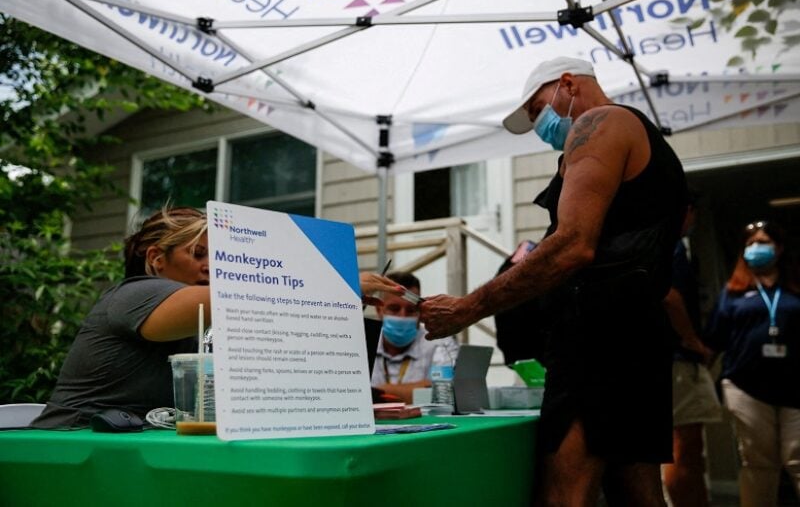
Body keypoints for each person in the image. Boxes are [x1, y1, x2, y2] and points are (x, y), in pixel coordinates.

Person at [421, 56, 688, 506]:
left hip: (602, 340)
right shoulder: (623, 139)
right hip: (634, 335)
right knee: (636, 490)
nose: (539, 124)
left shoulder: (600, 122)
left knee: (565, 493)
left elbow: (572, 246)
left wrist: (468, 307)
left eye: (536, 110)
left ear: (567, 84)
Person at [33, 206, 402, 429]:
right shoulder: (134, 294)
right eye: (198, 253)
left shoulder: (214, 318)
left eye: (220, 255)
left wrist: (325, 310)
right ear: (156, 259)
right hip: (67, 448)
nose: (213, 266)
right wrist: (328, 287)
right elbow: (237, 298)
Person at [704, 220, 800, 506]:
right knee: (758, 462)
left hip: (795, 387)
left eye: (763, 242)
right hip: (746, 386)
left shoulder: (795, 289)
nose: (756, 249)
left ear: (779, 249)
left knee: (797, 458)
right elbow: (714, 339)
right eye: (750, 244)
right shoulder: (733, 292)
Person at [661, 193, 721, 507]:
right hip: (678, 361)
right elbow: (668, 296)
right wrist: (691, 340)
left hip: (662, 359)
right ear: (687, 212)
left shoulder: (647, 242)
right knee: (685, 449)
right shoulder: (669, 245)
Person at [371, 271, 459, 404]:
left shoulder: (441, 343)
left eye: (411, 310)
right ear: (379, 310)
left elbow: (443, 393)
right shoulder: (360, 344)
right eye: (394, 309)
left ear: (420, 312)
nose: (402, 316)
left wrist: (372, 392)